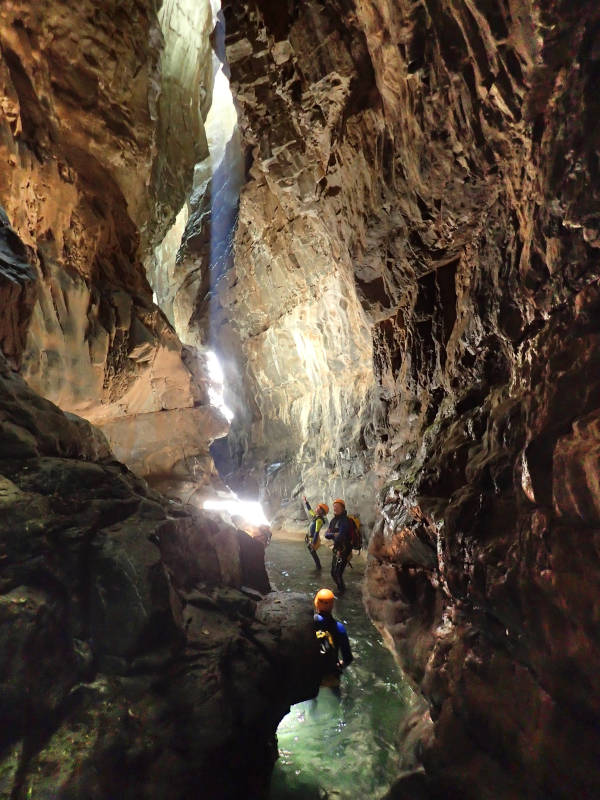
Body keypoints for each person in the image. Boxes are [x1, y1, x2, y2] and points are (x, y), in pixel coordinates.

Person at [313, 588, 353, 694]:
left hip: (314, 676)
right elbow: (348, 658)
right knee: (337, 698)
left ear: (316, 603)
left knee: (311, 699)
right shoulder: (340, 628)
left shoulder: (309, 623)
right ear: (332, 606)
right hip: (331, 675)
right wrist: (340, 665)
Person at [324, 498, 352, 592]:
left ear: (343, 509)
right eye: (334, 507)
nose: (335, 509)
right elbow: (326, 535)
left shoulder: (345, 521)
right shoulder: (333, 521)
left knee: (337, 573)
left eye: (338, 507)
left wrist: (333, 535)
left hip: (344, 550)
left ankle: (342, 592)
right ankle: (341, 588)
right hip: (336, 549)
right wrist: (333, 535)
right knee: (333, 572)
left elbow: (340, 537)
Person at [303, 495, 328, 570]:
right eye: (317, 507)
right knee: (313, 553)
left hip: (314, 539)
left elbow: (316, 532)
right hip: (311, 539)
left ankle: (319, 568)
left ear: (322, 511)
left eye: (318, 508)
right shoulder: (316, 516)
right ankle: (318, 567)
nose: (316, 508)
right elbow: (310, 510)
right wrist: (306, 502)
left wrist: (313, 543)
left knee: (313, 553)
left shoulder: (319, 520)